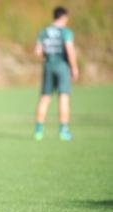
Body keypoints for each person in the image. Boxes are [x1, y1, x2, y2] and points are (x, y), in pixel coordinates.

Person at [34, 6, 79, 141]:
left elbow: (37, 51)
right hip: (62, 67)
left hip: (48, 66)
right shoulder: (65, 32)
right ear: (64, 17)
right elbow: (70, 50)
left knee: (45, 98)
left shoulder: (44, 32)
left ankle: (38, 131)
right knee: (63, 97)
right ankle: (63, 131)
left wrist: (46, 57)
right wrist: (74, 68)